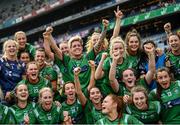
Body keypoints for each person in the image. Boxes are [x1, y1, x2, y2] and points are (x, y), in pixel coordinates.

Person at [44, 19, 109, 93]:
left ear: (82, 47)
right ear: (70, 49)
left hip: (89, 93)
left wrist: (105, 28)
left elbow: (99, 43)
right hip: (75, 94)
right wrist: (49, 35)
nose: (77, 47)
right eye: (74, 46)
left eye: (79, 45)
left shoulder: (88, 57)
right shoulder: (67, 60)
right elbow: (55, 49)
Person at [0, 39, 25, 103]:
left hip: (18, 96)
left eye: (13, 46)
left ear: (17, 49)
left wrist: (12, 93)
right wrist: (1, 95)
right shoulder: (1, 62)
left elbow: (24, 82)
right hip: (4, 97)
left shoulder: (21, 64)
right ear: (5, 49)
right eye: (9, 46)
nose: (12, 48)